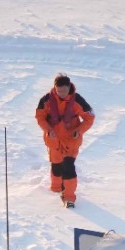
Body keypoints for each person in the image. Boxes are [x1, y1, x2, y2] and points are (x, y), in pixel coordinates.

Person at [35, 74, 94, 208]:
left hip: (71, 141)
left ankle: (69, 198)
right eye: (58, 90)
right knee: (56, 166)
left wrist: (78, 131)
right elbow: (40, 117)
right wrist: (48, 130)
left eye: (63, 91)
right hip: (54, 140)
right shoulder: (46, 100)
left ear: (69, 88)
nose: (60, 94)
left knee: (68, 167)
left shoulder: (78, 100)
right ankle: (56, 188)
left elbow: (90, 117)